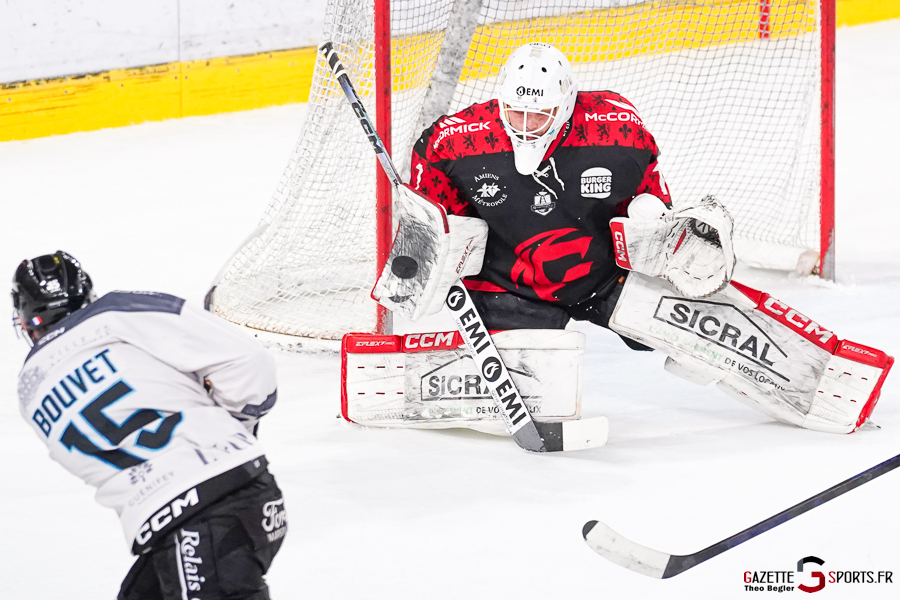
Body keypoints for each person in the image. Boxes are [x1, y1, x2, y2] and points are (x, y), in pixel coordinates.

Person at [13, 251, 287, 600]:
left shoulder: (29, 390)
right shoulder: (117, 311)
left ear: (26, 320)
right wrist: (233, 429)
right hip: (222, 498)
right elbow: (250, 362)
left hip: (192, 516)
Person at [409, 41, 675, 348]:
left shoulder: (619, 130)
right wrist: (429, 246)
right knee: (527, 372)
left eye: (540, 114)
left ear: (566, 104)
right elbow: (431, 216)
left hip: (607, 276)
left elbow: (653, 207)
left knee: (687, 341)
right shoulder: (455, 141)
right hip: (509, 285)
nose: (527, 126)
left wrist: (661, 230)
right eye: (516, 112)